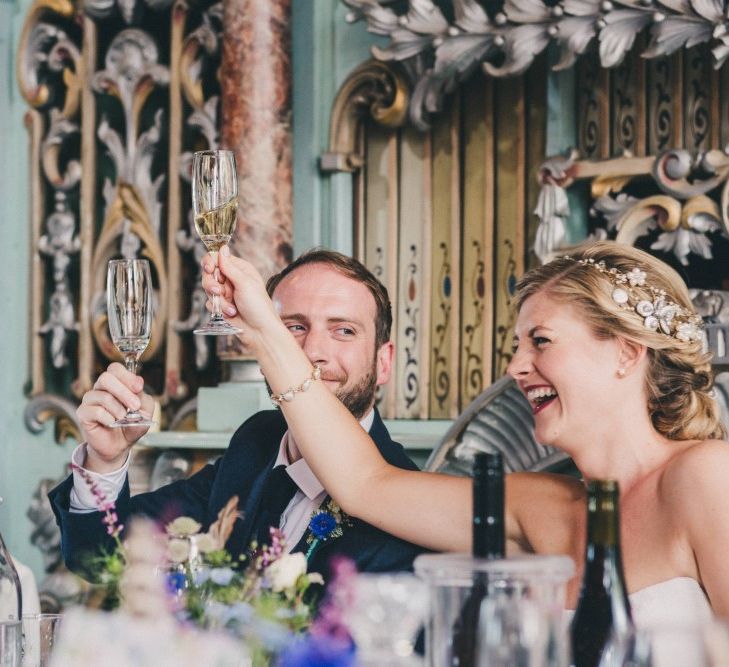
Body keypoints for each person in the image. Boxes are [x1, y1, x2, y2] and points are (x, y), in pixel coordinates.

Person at [204, 240, 729, 626]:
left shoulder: (706, 477)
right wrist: (264, 332)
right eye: (518, 344)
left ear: (625, 352)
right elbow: (365, 484)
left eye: (540, 341)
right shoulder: (536, 506)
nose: (516, 366)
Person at [49, 250, 427, 583]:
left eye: (343, 331)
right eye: (293, 327)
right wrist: (105, 460)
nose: (312, 352)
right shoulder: (257, 442)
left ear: (384, 361)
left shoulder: (407, 514)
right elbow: (101, 558)